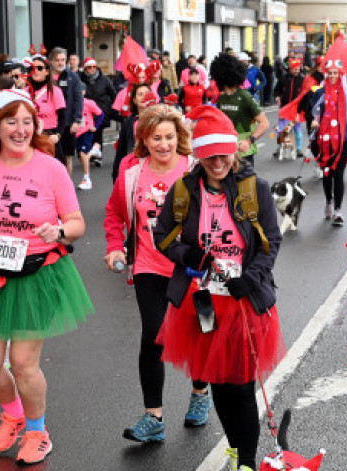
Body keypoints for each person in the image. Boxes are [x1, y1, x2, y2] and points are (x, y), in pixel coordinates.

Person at [0, 90, 94, 465]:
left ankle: (37, 431)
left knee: (24, 364)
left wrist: (57, 232)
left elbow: (77, 224)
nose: (21, 129)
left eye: (28, 121)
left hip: (35, 275)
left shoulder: (50, 168)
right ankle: (14, 413)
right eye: (11, 121)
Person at [152, 105, 285, 471]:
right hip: (204, 303)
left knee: (241, 384)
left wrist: (251, 277)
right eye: (210, 156)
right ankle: (234, 444)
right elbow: (161, 237)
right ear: (200, 155)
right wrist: (189, 254)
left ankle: (246, 460)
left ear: (234, 151)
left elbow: (271, 242)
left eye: (224, 155)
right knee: (219, 382)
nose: (218, 162)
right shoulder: (183, 190)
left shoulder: (253, 188)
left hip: (243, 300)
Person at [103, 104, 213, 443]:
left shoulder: (196, 169)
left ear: (179, 137)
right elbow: (113, 213)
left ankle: (200, 392)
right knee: (153, 337)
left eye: (169, 137)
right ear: (144, 140)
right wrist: (114, 246)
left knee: (202, 333)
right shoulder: (132, 173)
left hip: (196, 269)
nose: (163, 144)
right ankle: (154, 417)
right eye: (156, 138)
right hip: (150, 266)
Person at [301, 53, 347, 226]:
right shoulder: (319, 92)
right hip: (324, 139)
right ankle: (329, 201)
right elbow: (308, 109)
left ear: (341, 74)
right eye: (330, 73)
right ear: (326, 74)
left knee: (339, 174)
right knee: (327, 174)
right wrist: (313, 119)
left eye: (336, 73)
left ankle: (338, 210)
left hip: (343, 139)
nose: (333, 76)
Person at [210, 53, 269, 167]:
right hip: (226, 152)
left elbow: (265, 123)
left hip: (243, 153)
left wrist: (249, 141)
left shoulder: (244, 97)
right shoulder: (221, 98)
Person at [49, 47, 84, 173]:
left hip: (68, 123)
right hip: (50, 125)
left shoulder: (73, 77)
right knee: (51, 158)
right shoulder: (46, 77)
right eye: (57, 60)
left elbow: (79, 99)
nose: (60, 63)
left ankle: (66, 186)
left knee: (67, 157)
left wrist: (77, 120)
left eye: (63, 59)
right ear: (51, 61)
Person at [27, 55, 67, 164]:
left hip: (49, 136)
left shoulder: (54, 91)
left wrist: (57, 135)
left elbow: (63, 117)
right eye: (32, 68)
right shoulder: (24, 91)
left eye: (39, 68)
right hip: (30, 137)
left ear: (47, 72)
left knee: (57, 170)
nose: (35, 71)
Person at [113, 83, 156, 181]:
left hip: (155, 165)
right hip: (135, 166)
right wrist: (116, 174)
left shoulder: (159, 118)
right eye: (140, 94)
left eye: (146, 93)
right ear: (134, 100)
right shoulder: (128, 122)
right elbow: (121, 149)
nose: (144, 96)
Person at [80, 57, 117, 162]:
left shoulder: (104, 79)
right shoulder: (81, 79)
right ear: (85, 68)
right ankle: (89, 152)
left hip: (101, 110)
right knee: (87, 132)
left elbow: (113, 94)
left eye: (94, 67)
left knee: (98, 132)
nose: (92, 69)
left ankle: (98, 155)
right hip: (86, 111)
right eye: (89, 67)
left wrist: (114, 108)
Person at [274, 59, 307, 158]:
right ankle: (279, 147)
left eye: (298, 68)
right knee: (282, 130)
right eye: (294, 69)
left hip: (296, 109)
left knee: (298, 131)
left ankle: (299, 149)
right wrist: (277, 96)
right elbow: (277, 90)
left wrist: (302, 109)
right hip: (285, 108)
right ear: (290, 68)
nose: (297, 70)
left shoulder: (302, 80)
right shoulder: (283, 78)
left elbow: (304, 95)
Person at [74, 89, 103, 190]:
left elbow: (100, 114)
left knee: (83, 154)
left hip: (86, 131)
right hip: (75, 133)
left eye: (80, 90)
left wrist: (95, 126)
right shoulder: (71, 102)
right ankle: (95, 149)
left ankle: (87, 179)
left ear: (84, 92)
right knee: (80, 157)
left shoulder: (88, 103)